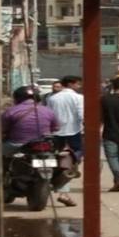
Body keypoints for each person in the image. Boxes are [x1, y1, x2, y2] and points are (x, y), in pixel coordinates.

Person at [45, 75, 84, 206]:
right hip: (74, 133)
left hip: (56, 134)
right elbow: (82, 115)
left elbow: (49, 116)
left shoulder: (52, 98)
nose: (79, 86)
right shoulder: (78, 98)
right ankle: (63, 189)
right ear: (71, 84)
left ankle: (58, 183)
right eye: (78, 84)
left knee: (55, 159)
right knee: (72, 161)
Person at [2, 86, 58, 157]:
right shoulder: (48, 111)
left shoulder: (11, 111)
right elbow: (56, 128)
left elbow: (2, 128)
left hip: (18, 144)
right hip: (43, 144)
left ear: (17, 98)